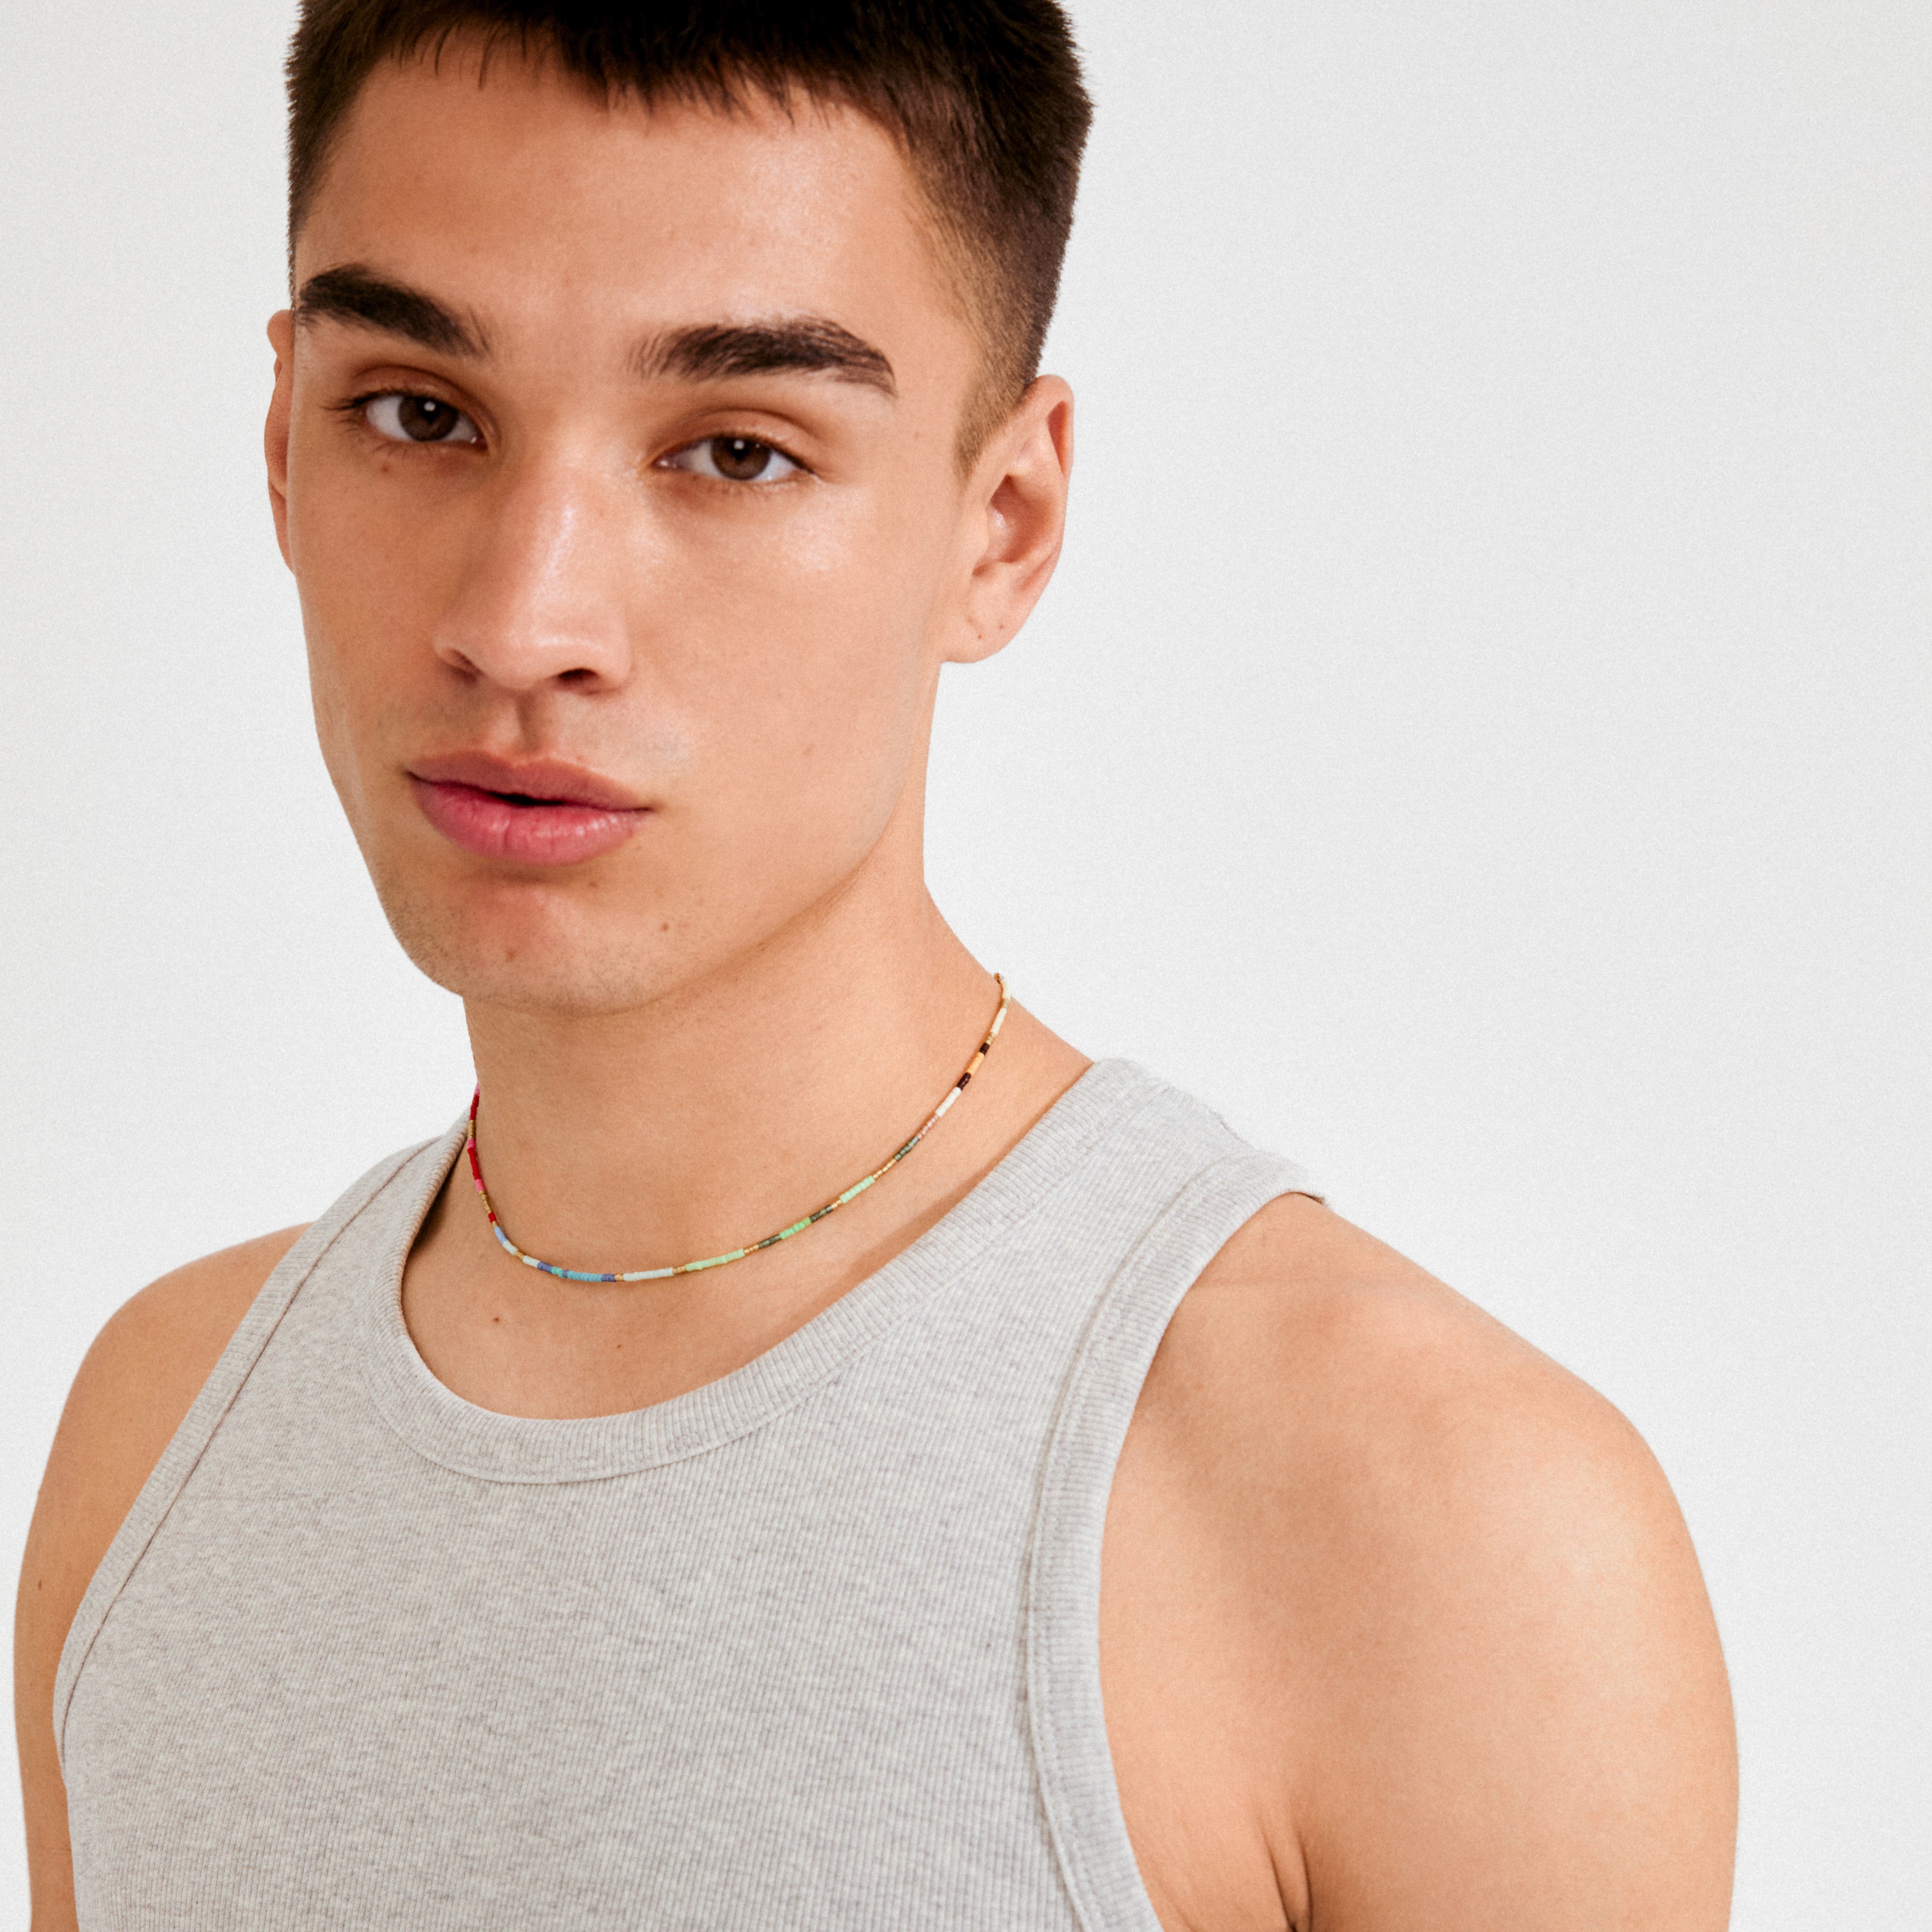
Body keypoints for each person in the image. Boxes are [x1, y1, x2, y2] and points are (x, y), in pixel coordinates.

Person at [13, 3, 1737, 1926]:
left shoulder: (1429, 1524)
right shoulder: (161, 1445)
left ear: (1000, 522)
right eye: (420, 413)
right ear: (279, 441)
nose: (523, 621)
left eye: (735, 451)